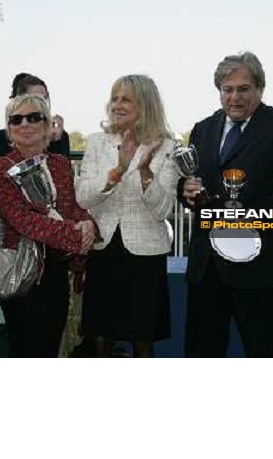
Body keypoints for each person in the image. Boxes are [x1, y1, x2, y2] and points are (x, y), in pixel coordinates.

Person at [179, 52, 273, 358]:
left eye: (243, 89)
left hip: (258, 269)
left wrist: (249, 212)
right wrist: (184, 190)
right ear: (219, 91)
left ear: (260, 89)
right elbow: (189, 180)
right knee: (201, 354)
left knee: (262, 353)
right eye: (227, 89)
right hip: (207, 268)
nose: (234, 97)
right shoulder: (203, 128)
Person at [75, 74, 178, 358]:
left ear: (145, 105)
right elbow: (83, 197)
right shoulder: (97, 142)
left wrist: (145, 174)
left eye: (126, 99)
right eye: (115, 98)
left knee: (143, 339)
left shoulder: (168, 147)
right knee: (101, 337)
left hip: (145, 254)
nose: (117, 105)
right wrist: (117, 171)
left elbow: (162, 209)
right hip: (104, 249)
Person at [0, 93, 97, 357]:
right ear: (9, 131)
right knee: (25, 349)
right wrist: (75, 236)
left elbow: (72, 207)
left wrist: (89, 225)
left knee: (49, 348)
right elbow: (23, 221)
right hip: (21, 272)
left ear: (47, 125)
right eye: (16, 120)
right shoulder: (1, 168)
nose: (24, 124)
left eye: (33, 117)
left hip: (56, 272)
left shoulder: (60, 164)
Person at [0, 73, 69, 158]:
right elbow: (5, 167)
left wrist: (55, 141)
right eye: (35, 99)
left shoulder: (60, 135)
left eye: (44, 98)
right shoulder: (1, 137)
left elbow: (63, 168)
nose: (41, 103)